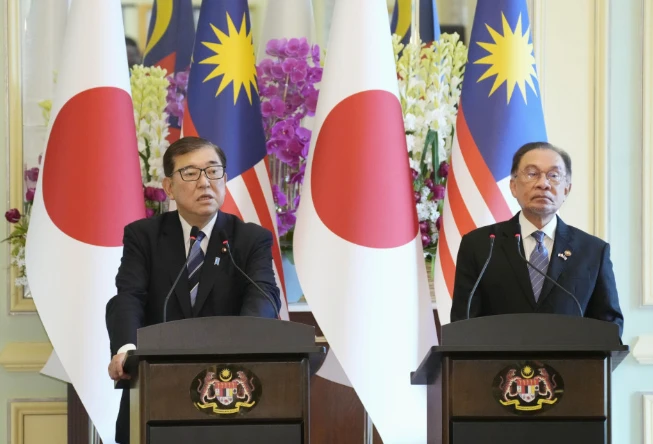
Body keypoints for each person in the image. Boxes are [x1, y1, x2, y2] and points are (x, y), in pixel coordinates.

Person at [105, 136, 281, 444]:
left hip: (234, 395)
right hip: (157, 392)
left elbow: (263, 296)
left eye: (213, 171)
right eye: (190, 173)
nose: (204, 183)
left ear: (224, 179)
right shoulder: (144, 236)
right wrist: (126, 349)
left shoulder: (250, 239)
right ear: (169, 187)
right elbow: (128, 296)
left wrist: (248, 345)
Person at [450, 142, 624, 337]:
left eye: (554, 175)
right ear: (513, 186)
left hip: (571, 367)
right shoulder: (481, 245)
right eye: (532, 174)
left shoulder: (592, 251)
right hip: (498, 366)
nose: (543, 183)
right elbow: (463, 324)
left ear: (566, 189)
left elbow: (610, 327)